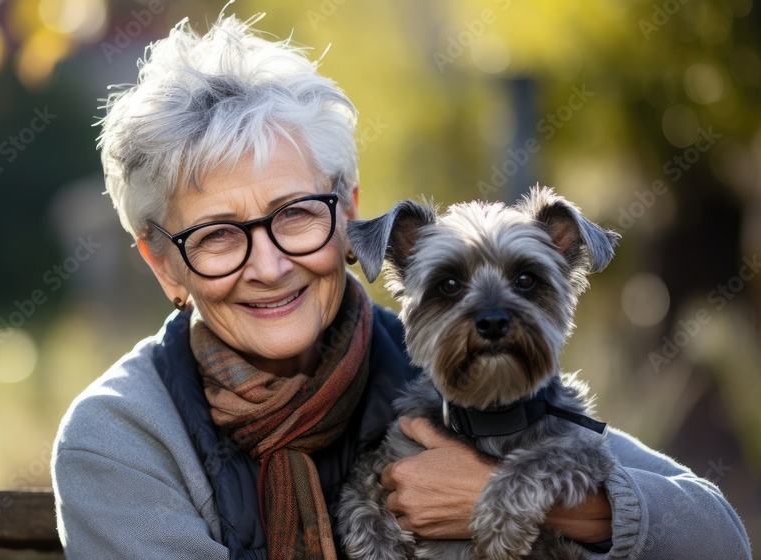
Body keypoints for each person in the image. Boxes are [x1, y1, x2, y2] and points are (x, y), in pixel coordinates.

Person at [51, 12, 751, 560]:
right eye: (217, 235)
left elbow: (718, 541)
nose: (267, 267)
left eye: (295, 215)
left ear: (350, 213)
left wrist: (505, 497)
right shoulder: (124, 436)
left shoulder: (447, 378)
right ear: (163, 264)